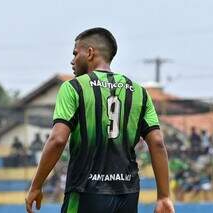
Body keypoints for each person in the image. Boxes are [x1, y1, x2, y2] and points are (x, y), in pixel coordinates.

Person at [25, 27, 174, 213]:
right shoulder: (139, 92)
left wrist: (36, 185)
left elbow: (58, 140)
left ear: (89, 53)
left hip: (85, 191)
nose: (72, 61)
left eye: (75, 53)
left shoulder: (73, 88)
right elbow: (158, 143)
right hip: (127, 194)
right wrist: (163, 196)